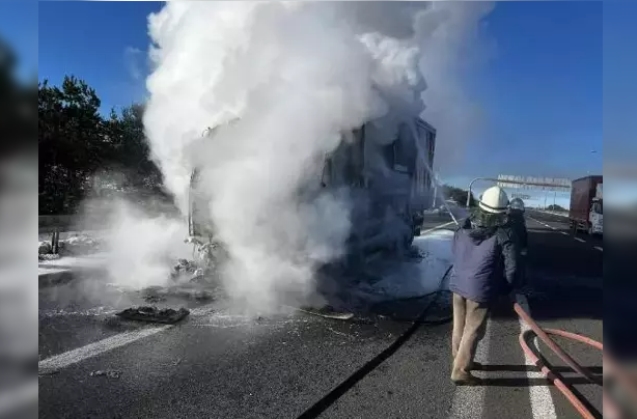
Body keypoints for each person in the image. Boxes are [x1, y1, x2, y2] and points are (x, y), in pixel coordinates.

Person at [448, 186, 521, 385]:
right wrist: (506, 287)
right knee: (473, 330)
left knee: (459, 327)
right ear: (503, 211)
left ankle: (460, 360)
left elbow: (454, 248)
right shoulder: (504, 233)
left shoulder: (464, 225)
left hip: (457, 284)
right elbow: (512, 267)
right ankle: (461, 371)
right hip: (479, 290)